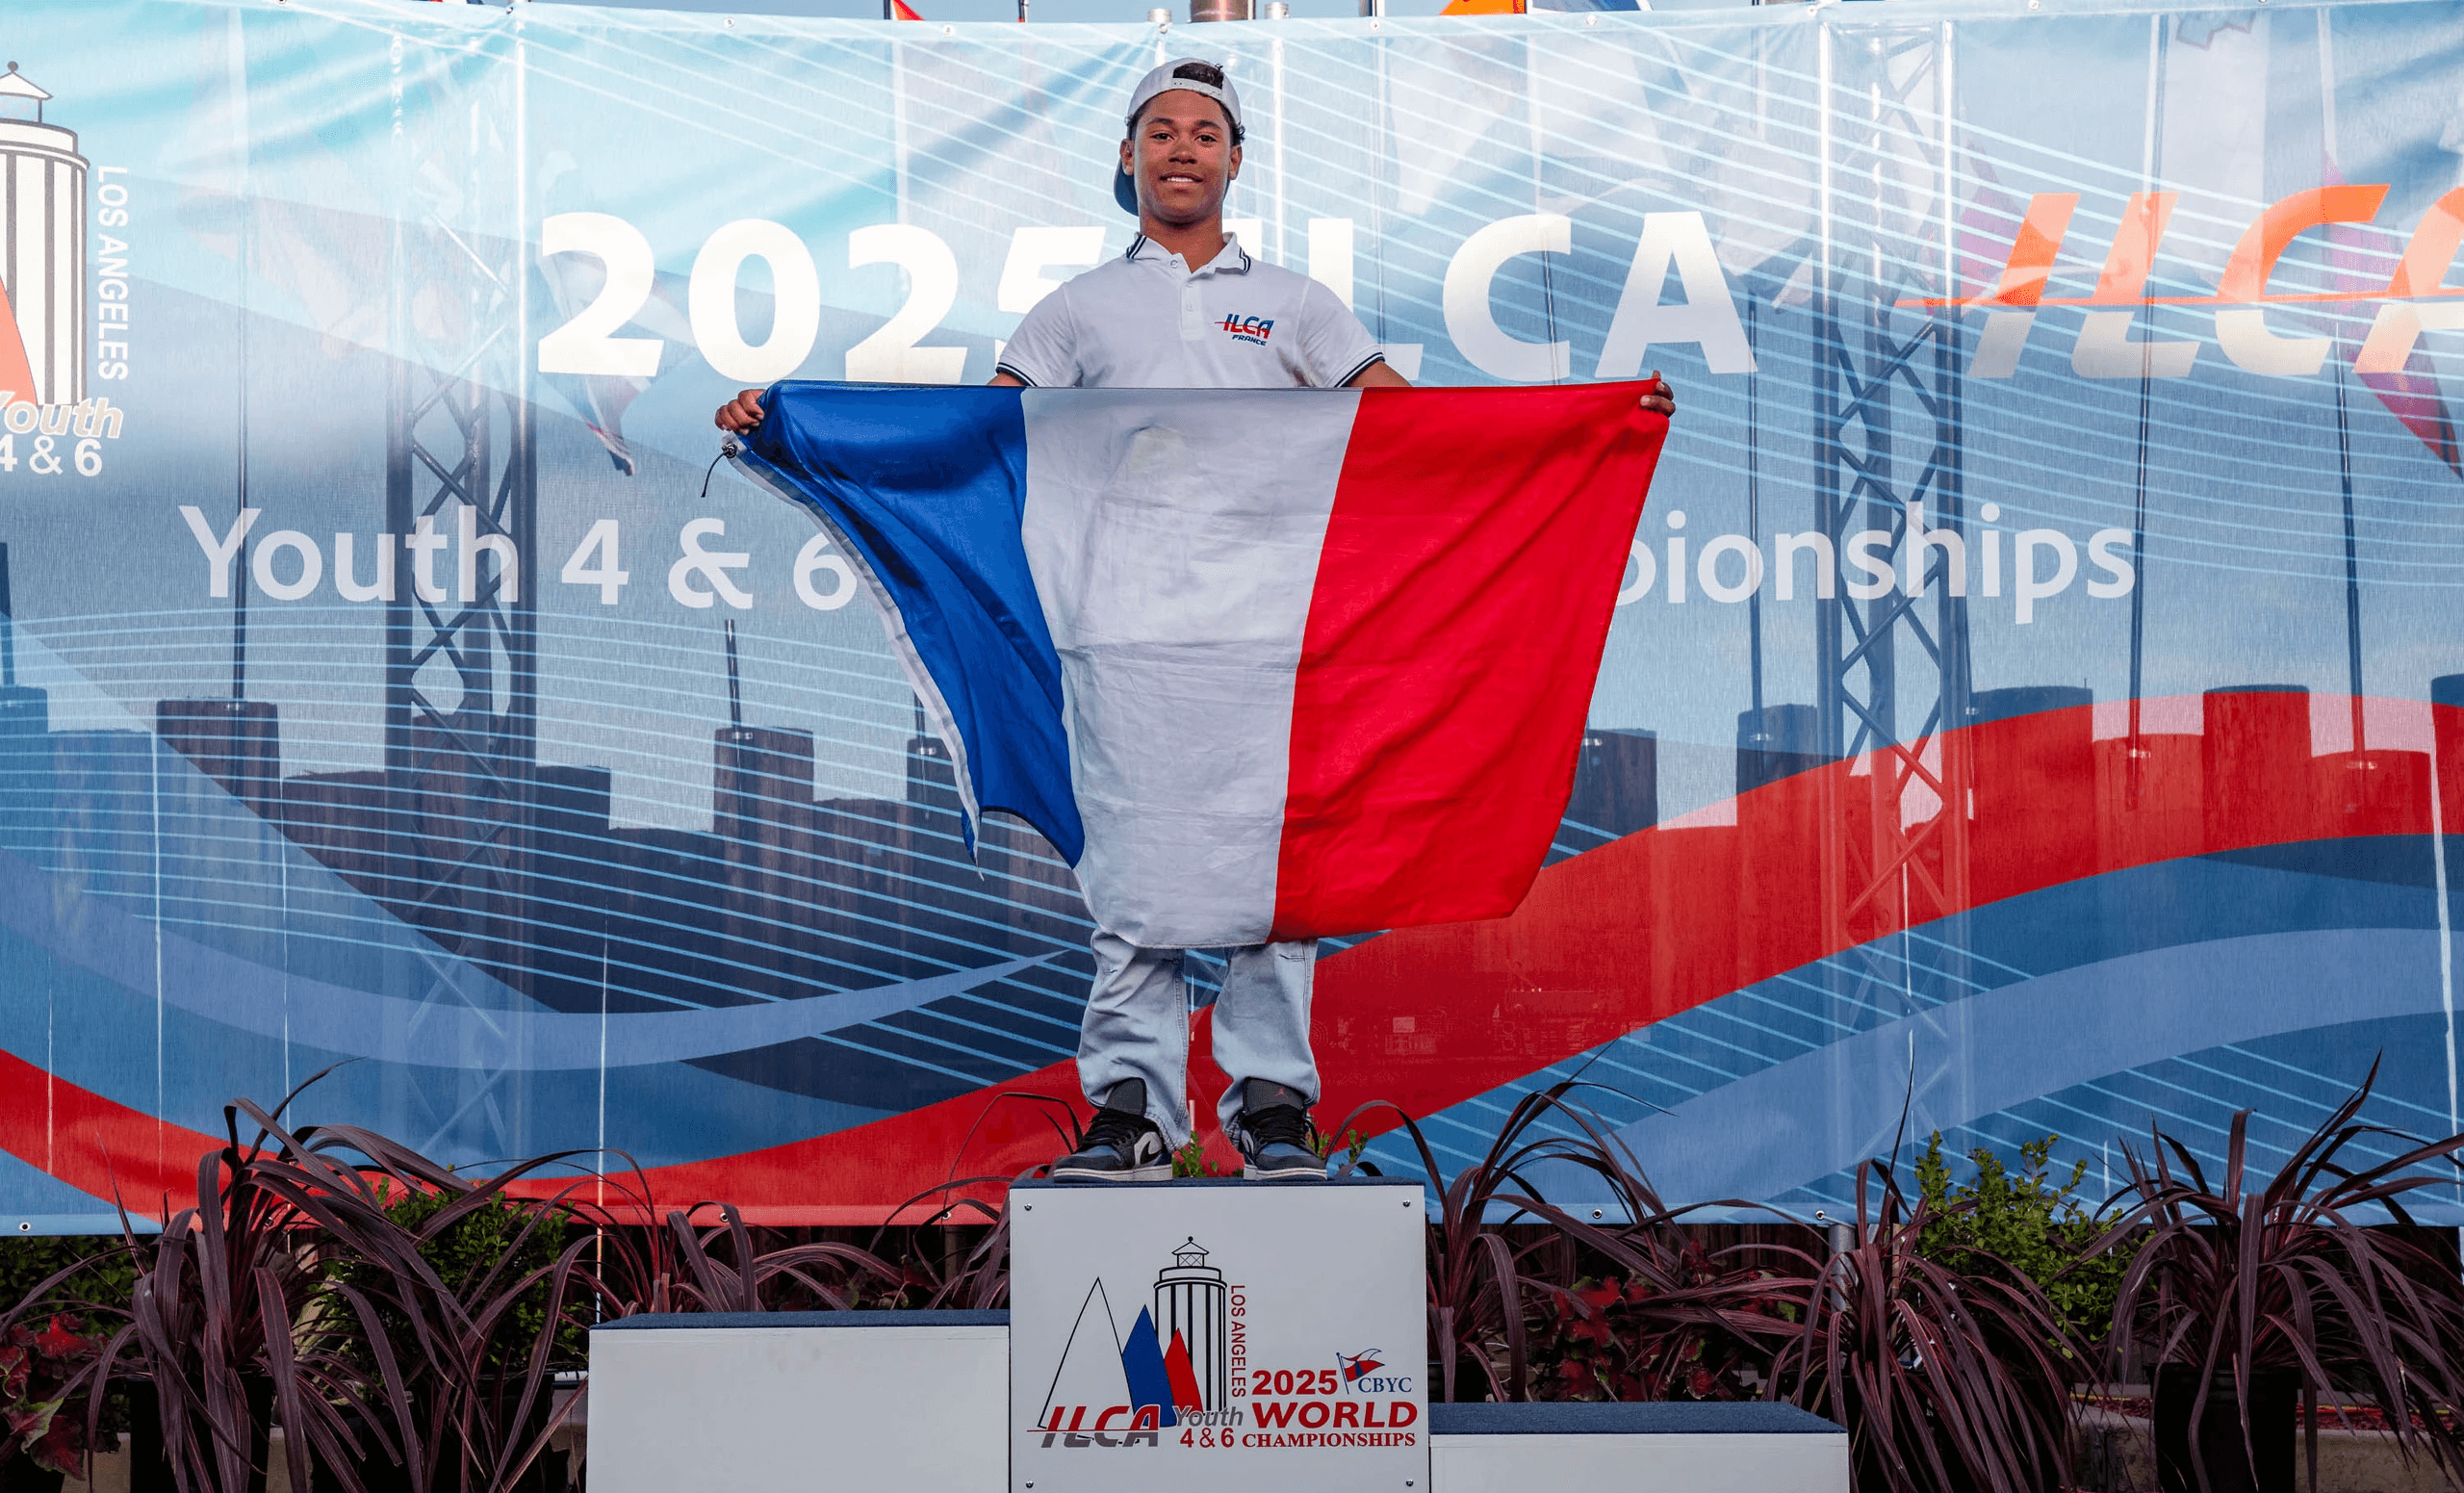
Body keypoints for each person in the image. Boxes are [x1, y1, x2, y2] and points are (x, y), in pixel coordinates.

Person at [717, 59, 1675, 1184]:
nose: (1182, 148)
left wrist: (1579, 431)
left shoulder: (1295, 303)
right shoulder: (1077, 308)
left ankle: (1273, 1107)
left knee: (1279, 872)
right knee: (1133, 872)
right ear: (1126, 159)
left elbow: (1408, 433)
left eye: (1205, 133)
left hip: (1269, 633)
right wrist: (800, 423)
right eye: (1160, 131)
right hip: (1118, 626)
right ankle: (1132, 1112)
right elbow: (982, 435)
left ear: (1233, 160)